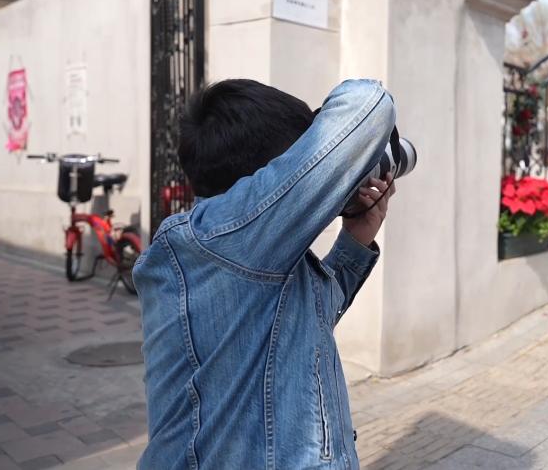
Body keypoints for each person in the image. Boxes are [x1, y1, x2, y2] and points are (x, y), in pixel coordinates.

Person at [134, 78, 396, 469]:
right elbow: (369, 102)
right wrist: (321, 136)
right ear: (272, 173)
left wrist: (355, 239)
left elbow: (305, 323)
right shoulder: (222, 237)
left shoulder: (248, 253)